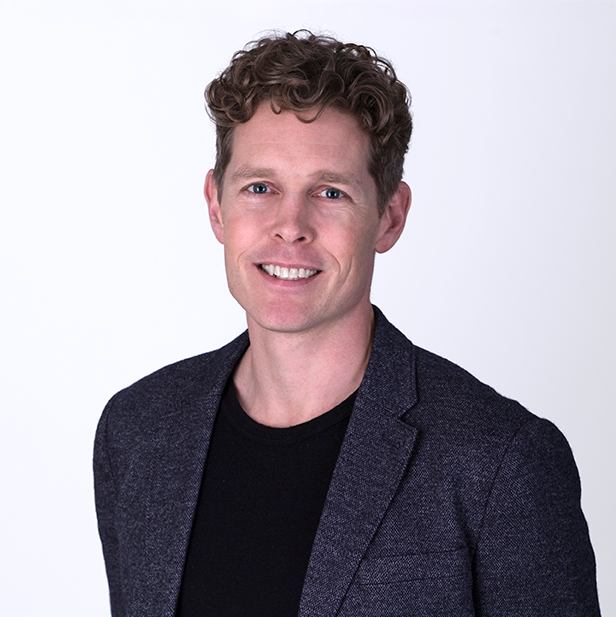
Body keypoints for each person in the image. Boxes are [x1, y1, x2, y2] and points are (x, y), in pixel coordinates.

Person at [94, 30, 600, 616]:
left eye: (330, 192)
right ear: (216, 205)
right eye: (260, 187)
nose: (290, 226)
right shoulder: (137, 431)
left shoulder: (501, 462)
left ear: (390, 217)